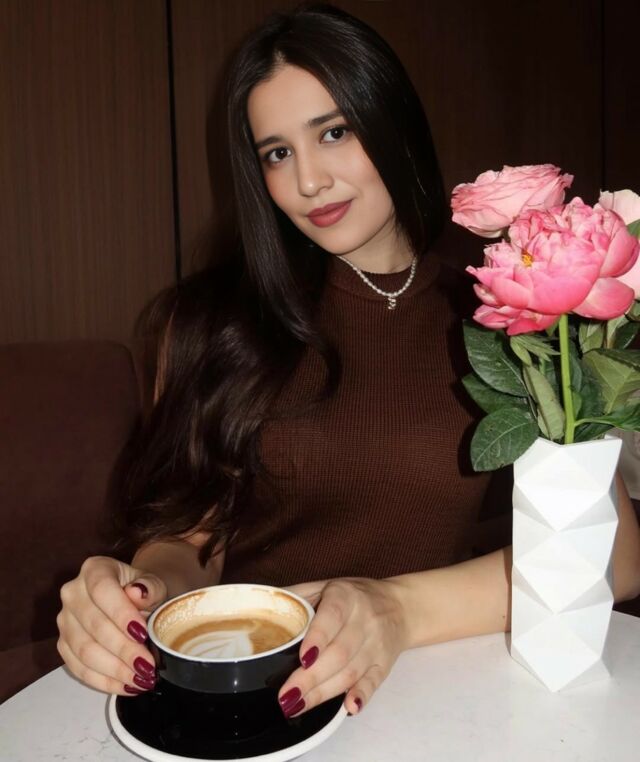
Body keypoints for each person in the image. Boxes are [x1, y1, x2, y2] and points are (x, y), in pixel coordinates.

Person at [56, 3, 640, 719]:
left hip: (455, 687)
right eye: (277, 153)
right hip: (269, 696)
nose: (308, 181)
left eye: (334, 132)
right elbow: (190, 537)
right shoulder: (213, 320)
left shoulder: (508, 302)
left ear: (390, 121)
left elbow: (615, 556)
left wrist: (396, 609)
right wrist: (145, 592)